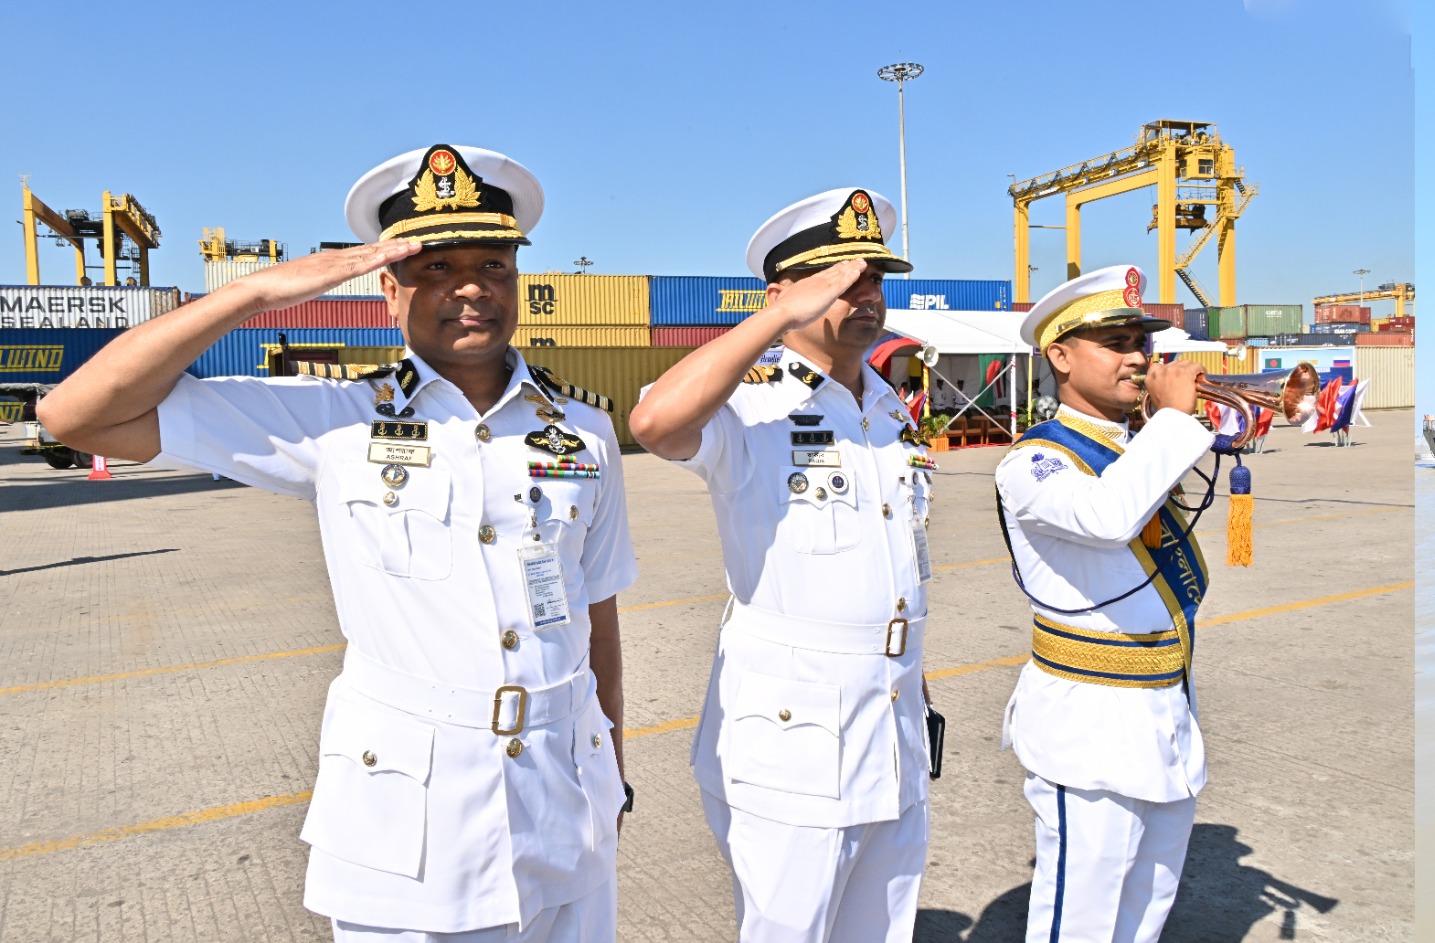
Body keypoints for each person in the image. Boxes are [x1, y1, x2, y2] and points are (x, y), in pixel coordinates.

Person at [38, 145, 634, 941]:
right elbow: (74, 414)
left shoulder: (584, 432)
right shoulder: (335, 420)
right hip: (416, 830)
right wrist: (254, 292)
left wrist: (614, 771)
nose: (470, 287)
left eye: (493, 264)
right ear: (388, 288)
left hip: (569, 807)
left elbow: (598, 621)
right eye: (435, 267)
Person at [628, 187, 936, 943]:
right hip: (795, 738)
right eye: (839, 280)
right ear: (782, 295)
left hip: (892, 718)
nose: (863, 296)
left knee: (881, 931)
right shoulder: (751, 405)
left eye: (873, 280)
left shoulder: (889, 410)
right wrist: (774, 323)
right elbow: (653, 422)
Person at [996, 265, 1215, 943]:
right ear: (1060, 356)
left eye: (1140, 342)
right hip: (1087, 726)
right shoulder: (1036, 460)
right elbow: (1105, 517)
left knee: (1145, 912)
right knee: (1081, 923)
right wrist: (1171, 421)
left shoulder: (1138, 447)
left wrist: (1161, 427)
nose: (1138, 358)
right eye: (1115, 343)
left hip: (1164, 710)